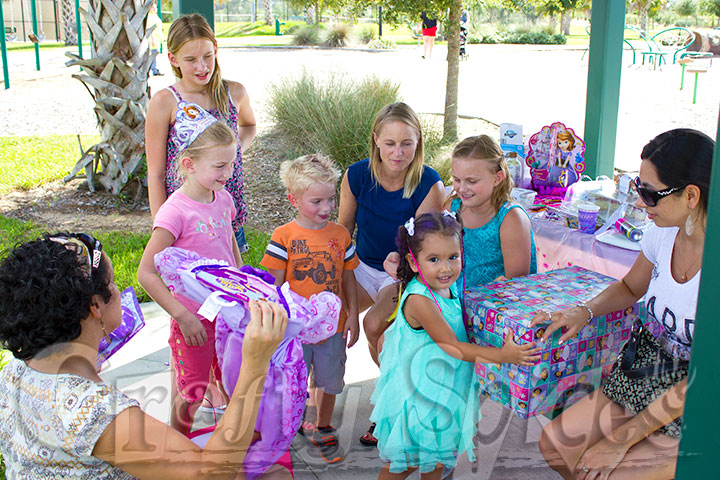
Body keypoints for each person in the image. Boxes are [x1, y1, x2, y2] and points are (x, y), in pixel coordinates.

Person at [0, 232, 290, 479]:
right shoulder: (92, 412)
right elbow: (211, 474)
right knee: (275, 476)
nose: (118, 289)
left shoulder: (14, 373)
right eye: (113, 284)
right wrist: (255, 363)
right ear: (94, 307)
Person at [532, 128, 714, 480]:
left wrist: (619, 441)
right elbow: (631, 286)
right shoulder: (663, 230)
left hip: (700, 393)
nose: (641, 204)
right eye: (637, 188)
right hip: (649, 366)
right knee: (556, 445)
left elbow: (703, 378)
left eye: (649, 194)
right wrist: (581, 312)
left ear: (691, 195)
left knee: (615, 472)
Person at [370, 212, 541, 479]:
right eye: (434, 259)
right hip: (423, 397)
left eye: (453, 257)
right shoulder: (420, 300)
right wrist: (503, 355)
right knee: (405, 463)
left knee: (436, 461)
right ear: (413, 263)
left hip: (446, 392)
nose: (446, 268)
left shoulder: (447, 288)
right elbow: (453, 346)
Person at [337, 101, 445, 446]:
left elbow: (426, 248)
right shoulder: (357, 176)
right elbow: (342, 234)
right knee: (324, 316)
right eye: (390, 143)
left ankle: (393, 405)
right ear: (375, 141)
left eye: (406, 144)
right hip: (362, 266)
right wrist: (344, 302)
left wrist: (401, 261)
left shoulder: (428, 183)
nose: (398, 153)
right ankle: (314, 398)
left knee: (374, 327)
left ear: (418, 142)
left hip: (401, 273)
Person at [138, 102, 242, 435]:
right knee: (192, 393)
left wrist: (244, 286)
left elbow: (230, 245)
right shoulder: (175, 212)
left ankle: (224, 446)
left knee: (231, 381)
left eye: (231, 164)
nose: (228, 173)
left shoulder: (222, 197)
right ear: (189, 164)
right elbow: (146, 272)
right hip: (193, 320)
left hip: (227, 313)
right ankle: (177, 446)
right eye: (220, 165)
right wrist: (182, 318)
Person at [261, 153, 360, 464]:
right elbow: (274, 285)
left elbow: (348, 277)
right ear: (294, 199)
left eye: (330, 199)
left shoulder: (341, 235)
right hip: (295, 331)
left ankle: (323, 427)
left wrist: (353, 314)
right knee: (292, 381)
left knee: (330, 380)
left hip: (332, 328)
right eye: (317, 201)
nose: (327, 208)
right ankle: (287, 428)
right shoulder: (283, 236)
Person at [145, 13, 256, 257]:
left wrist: (234, 152)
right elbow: (155, 173)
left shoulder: (234, 93)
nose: (202, 66)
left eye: (207, 56)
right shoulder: (165, 102)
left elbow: (249, 126)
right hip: (185, 223)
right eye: (190, 59)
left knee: (230, 283)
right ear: (173, 59)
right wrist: (163, 228)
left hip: (225, 215)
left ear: (215, 49)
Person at [446, 135, 537, 290]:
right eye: (457, 180)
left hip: (497, 306)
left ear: (497, 178)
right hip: (455, 301)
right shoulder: (452, 208)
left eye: (472, 181)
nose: (462, 188)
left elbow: (516, 284)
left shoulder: (510, 218)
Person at [147, 3, 164, 76]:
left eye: (155, 7)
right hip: (153, 39)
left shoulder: (155, 16)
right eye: (153, 7)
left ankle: (155, 69)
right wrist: (153, 39)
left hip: (157, 38)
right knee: (153, 54)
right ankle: (154, 70)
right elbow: (150, 28)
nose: (155, 8)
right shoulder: (150, 16)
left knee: (155, 54)